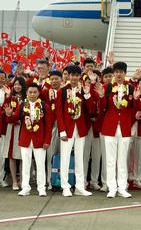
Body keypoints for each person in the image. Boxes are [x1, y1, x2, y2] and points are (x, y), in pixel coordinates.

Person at [97, 61, 136, 198]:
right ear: (114, 73)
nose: (119, 74)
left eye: (121, 72)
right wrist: (101, 96)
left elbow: (135, 108)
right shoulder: (107, 87)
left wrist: (136, 99)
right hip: (110, 127)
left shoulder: (131, 88)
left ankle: (122, 187)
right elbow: (101, 108)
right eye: (117, 72)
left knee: (122, 159)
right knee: (110, 159)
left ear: (125, 73)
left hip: (125, 127)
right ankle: (111, 187)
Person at [55, 65, 94, 197]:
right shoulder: (62, 91)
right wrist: (62, 131)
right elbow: (59, 113)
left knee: (80, 158)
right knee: (65, 158)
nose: (74, 78)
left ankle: (79, 186)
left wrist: (88, 94)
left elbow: (90, 110)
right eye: (72, 75)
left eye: (77, 75)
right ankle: (65, 186)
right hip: (67, 129)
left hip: (81, 129)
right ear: (68, 76)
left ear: (79, 77)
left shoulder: (83, 90)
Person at [13, 83, 52, 196]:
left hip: (40, 139)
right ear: (26, 93)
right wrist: (9, 114)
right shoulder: (22, 105)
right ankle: (25, 187)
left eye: (35, 92)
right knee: (26, 164)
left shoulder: (44, 106)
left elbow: (49, 125)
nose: (32, 94)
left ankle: (41, 188)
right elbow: (15, 117)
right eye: (30, 92)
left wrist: (47, 140)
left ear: (38, 93)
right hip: (25, 138)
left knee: (40, 164)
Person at [3, 77, 26, 190]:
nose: (17, 86)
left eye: (19, 84)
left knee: (22, 156)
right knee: (12, 156)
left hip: (24, 129)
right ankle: (14, 182)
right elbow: (6, 118)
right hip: (12, 129)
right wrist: (11, 117)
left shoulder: (28, 97)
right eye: (15, 84)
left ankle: (22, 180)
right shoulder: (9, 99)